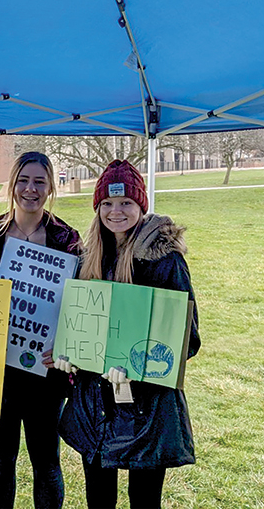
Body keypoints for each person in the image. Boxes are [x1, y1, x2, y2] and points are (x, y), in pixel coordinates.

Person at [55, 159, 201, 509]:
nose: (115, 211)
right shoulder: (87, 257)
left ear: (141, 206)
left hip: (146, 409)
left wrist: (138, 366)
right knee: (98, 499)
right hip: (96, 405)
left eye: (125, 203)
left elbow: (187, 339)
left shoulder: (165, 260)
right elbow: (78, 322)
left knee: (145, 500)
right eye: (106, 203)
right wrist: (70, 352)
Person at [0, 151, 81, 509]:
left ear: (50, 187)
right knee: (1, 461)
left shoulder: (67, 240)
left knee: (46, 462)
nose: (30, 189)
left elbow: (79, 305)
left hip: (45, 372)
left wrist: (65, 342)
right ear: (12, 184)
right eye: (24, 180)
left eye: (39, 181)